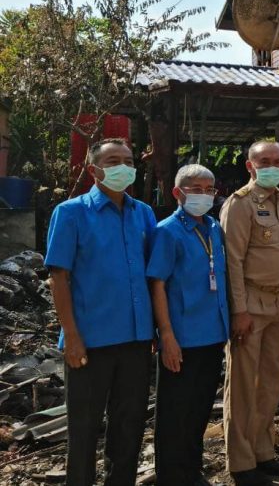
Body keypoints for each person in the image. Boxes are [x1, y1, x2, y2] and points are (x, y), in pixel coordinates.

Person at [44, 138, 156, 486]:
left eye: (128, 160)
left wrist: (157, 330)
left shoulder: (144, 213)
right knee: (84, 427)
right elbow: (58, 278)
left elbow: (153, 276)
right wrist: (71, 336)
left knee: (129, 425)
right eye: (113, 161)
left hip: (137, 339)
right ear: (94, 170)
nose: (123, 167)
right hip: (90, 341)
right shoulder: (71, 213)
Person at [221, 140, 279, 486]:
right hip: (251, 304)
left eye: (278, 161)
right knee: (243, 385)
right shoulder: (240, 204)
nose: (272, 166)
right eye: (264, 161)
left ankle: (263, 451)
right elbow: (233, 261)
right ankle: (241, 462)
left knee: (270, 383)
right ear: (250, 166)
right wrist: (239, 311)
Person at [148, 164, 231, 486]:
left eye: (209, 190)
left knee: (198, 409)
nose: (204, 195)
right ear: (177, 193)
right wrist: (166, 335)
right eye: (195, 189)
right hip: (182, 337)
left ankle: (192, 472)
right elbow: (157, 284)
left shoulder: (213, 227)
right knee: (174, 412)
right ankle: (171, 477)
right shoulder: (167, 231)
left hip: (212, 333)